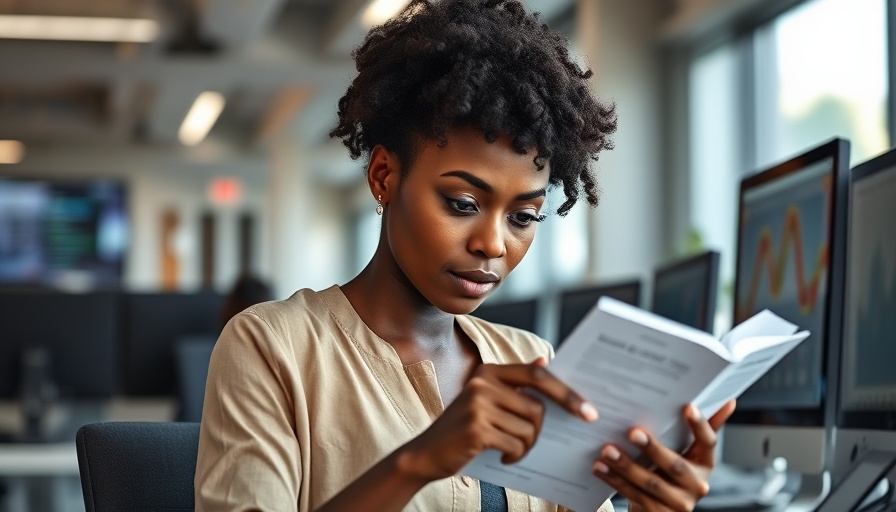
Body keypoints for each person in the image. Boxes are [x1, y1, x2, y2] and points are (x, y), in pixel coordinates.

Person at [194, 1, 736, 511]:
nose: (494, 244)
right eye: (463, 203)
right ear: (384, 175)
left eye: (523, 217)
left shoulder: (534, 363)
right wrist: (419, 461)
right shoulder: (271, 348)